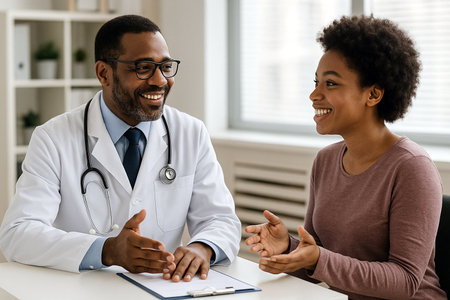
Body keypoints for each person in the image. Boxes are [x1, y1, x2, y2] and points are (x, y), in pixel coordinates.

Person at [0, 15, 241, 282]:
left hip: (164, 289)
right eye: (143, 68)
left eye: (165, 66)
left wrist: (203, 247)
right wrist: (107, 251)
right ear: (104, 73)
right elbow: (17, 234)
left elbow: (221, 219)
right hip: (83, 290)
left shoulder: (190, 133)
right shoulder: (53, 138)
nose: (160, 81)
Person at [245, 15, 446, 299]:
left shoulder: (412, 168)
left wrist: (317, 259)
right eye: (316, 82)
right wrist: (290, 248)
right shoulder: (325, 161)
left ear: (373, 94)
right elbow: (318, 263)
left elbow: (405, 281)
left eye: (331, 84)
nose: (314, 94)